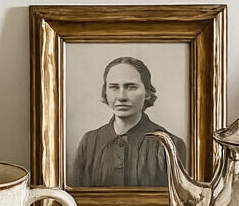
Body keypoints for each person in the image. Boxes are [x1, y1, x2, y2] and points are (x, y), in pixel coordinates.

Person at [71, 56, 187, 187]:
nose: (121, 97)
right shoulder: (89, 141)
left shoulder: (171, 144)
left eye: (131, 87)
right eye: (114, 87)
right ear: (105, 92)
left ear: (147, 92)